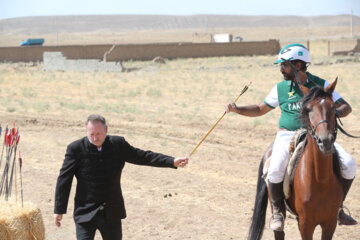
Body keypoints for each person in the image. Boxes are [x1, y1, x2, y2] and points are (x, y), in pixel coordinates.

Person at [225, 43, 357, 231]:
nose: (281, 69)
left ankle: (338, 209)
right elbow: (260, 109)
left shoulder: (322, 85)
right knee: (275, 169)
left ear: (299, 65)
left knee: (350, 164)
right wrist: (237, 109)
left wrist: (329, 113)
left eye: (285, 65)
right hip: (287, 135)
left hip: (316, 135)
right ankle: (278, 211)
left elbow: (346, 107)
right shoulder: (280, 88)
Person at [54, 114, 189, 240]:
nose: (95, 138)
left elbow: (143, 156)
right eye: (92, 134)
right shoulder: (75, 148)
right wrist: (59, 210)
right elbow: (64, 180)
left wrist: (171, 161)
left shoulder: (117, 144)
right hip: (85, 213)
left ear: (106, 129)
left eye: (99, 134)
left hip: (112, 212)